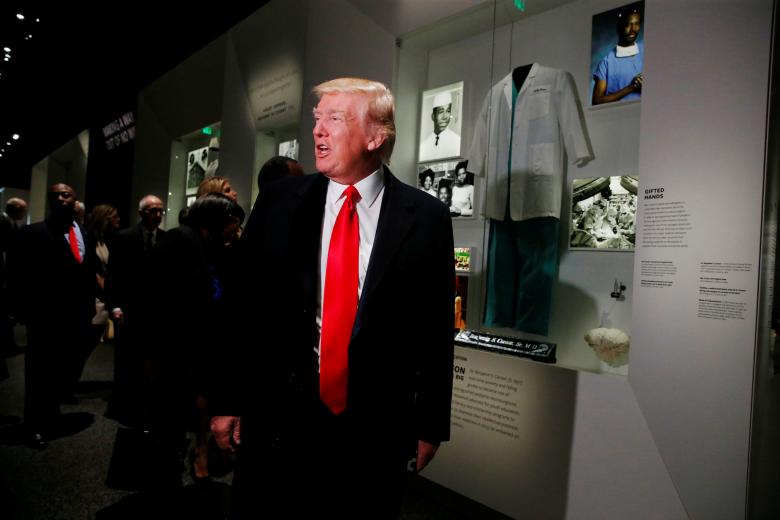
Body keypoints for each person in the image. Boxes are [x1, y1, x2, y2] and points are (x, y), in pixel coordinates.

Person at [211, 77, 455, 519]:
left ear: (376, 135)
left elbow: (435, 331)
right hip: (281, 417)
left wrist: (430, 425)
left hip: (373, 428)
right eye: (317, 119)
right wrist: (227, 399)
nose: (318, 131)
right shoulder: (279, 202)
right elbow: (241, 308)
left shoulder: (428, 219)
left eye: (335, 119)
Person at [6, 183, 94, 449]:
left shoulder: (82, 233)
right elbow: (16, 272)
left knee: (62, 368)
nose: (60, 199)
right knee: (39, 371)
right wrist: (21, 308)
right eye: (54, 195)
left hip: (75, 315)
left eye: (65, 194)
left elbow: (86, 272)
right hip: (44, 316)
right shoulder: (33, 233)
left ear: (75, 199)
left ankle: (51, 414)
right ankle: (34, 425)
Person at [105, 195, 165, 426]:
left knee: (150, 358)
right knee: (126, 358)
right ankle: (124, 404)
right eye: (152, 211)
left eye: (160, 210)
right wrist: (115, 305)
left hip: (153, 311)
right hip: (129, 308)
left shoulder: (165, 238)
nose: (158, 215)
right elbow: (114, 274)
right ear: (141, 213)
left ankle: (145, 404)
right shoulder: (124, 237)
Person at [592, 5, 643, 105]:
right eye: (628, 24)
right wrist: (630, 88)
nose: (633, 29)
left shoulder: (649, 50)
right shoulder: (606, 63)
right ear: (619, 27)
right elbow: (596, 101)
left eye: (636, 24)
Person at [419, 91, 460, 161]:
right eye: (441, 112)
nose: (445, 117)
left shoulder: (457, 141)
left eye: (448, 111)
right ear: (433, 116)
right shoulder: (424, 146)